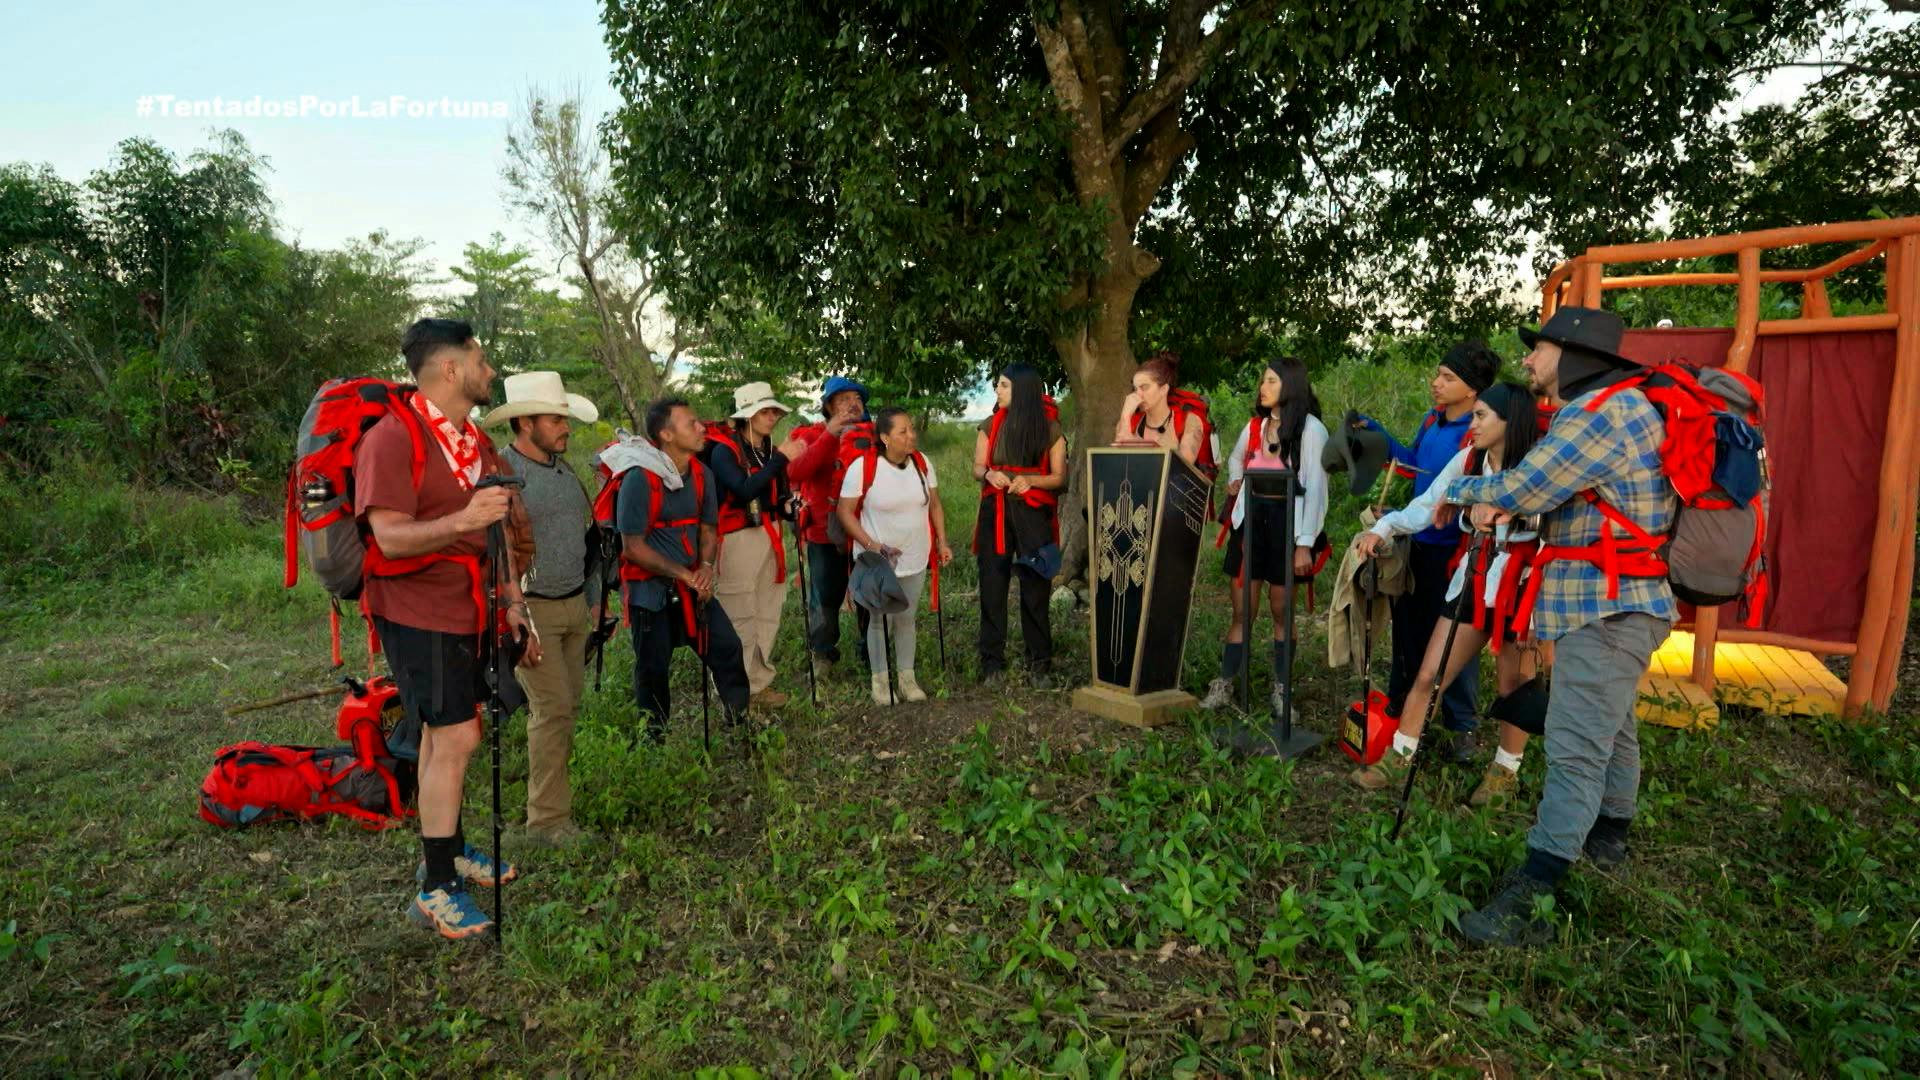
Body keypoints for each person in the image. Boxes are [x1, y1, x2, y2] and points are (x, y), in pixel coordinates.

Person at [1440, 307, 1675, 947]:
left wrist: (1458, 495)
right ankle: (1610, 836)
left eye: (1537, 348)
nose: (1527, 359)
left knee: (1574, 745)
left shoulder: (1596, 415)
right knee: (1612, 725)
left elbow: (1525, 487)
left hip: (1607, 606)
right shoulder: (1621, 408)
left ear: (1572, 355)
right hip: (1618, 602)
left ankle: (1536, 890)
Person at [357, 318, 535, 941]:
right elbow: (389, 537)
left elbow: (497, 529)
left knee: (444, 734)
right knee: (456, 736)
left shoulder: (472, 440)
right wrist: (463, 518)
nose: (490, 371)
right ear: (452, 368)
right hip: (416, 608)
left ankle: (450, 850)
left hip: (469, 607)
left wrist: (512, 599)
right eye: (481, 360)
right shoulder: (391, 437)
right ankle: (436, 887)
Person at [1346, 381, 1545, 806]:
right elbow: (1428, 502)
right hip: (1475, 575)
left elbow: (1550, 526)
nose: (1473, 424)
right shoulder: (1470, 458)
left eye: (1481, 416)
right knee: (1430, 674)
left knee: (1512, 684)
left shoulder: (1540, 463)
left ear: (1510, 421)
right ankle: (1400, 757)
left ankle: (1504, 772)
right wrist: (1383, 528)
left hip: (1522, 584)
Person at [1354, 342, 1500, 764]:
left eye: (1448, 377)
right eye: (1437, 374)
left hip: (1454, 552)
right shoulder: (1432, 420)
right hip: (1417, 541)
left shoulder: (1477, 436)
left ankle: (1461, 727)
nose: (1436, 383)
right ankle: (1404, 712)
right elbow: (1414, 465)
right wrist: (1380, 437)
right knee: (1409, 629)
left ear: (1473, 390)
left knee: (1455, 638)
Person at [486, 371, 599, 848]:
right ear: (525, 422)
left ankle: (551, 802)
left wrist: (592, 600)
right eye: (556, 419)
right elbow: (498, 555)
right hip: (534, 610)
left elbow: (583, 538)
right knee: (552, 711)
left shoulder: (562, 469)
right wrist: (518, 617)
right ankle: (547, 823)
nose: (565, 427)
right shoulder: (503, 474)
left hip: (574, 605)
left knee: (565, 707)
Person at [617, 397, 752, 742]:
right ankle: (654, 739)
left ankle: (739, 720)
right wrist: (686, 575)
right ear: (666, 434)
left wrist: (705, 567)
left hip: (693, 584)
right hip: (650, 592)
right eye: (691, 423)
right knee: (653, 668)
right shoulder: (639, 479)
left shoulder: (702, 474)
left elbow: (708, 528)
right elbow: (632, 547)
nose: (701, 428)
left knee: (727, 647)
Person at [1200, 357, 1330, 716]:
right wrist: (1235, 480)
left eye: (1271, 381)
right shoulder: (1256, 426)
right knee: (1242, 610)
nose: (1263, 387)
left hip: (1289, 527)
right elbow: (1235, 459)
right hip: (1251, 524)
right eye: (1263, 380)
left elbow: (1317, 491)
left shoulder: (1311, 431)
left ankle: (1282, 690)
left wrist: (1304, 544)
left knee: (1281, 610)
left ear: (1291, 385)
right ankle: (1225, 683)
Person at [704, 382, 830, 709]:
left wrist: (789, 506)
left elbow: (776, 496)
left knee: (768, 611)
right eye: (764, 411)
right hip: (737, 540)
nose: (772, 417)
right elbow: (743, 490)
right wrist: (782, 459)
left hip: (769, 534)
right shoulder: (724, 451)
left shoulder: (770, 450)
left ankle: (758, 685)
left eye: (774, 411)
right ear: (747, 415)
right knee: (740, 615)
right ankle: (733, 692)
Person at [836, 407, 954, 705]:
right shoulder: (863, 468)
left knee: (907, 617)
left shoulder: (922, 463)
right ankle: (880, 683)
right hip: (878, 561)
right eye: (903, 431)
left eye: (911, 429)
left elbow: (935, 505)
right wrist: (872, 545)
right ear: (885, 437)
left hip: (915, 556)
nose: (911, 435)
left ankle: (906, 679)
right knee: (879, 621)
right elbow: (844, 512)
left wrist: (942, 542)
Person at [973, 365, 1068, 687]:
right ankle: (992, 663)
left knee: (1036, 585)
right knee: (992, 584)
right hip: (995, 513)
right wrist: (989, 474)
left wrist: (1030, 481)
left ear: (1023, 390)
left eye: (1003, 385)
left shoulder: (1050, 429)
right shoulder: (990, 425)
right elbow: (977, 467)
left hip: (1033, 515)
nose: (997, 391)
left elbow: (1059, 477)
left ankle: (1040, 663)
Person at [786, 376, 871, 679]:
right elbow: (795, 471)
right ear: (829, 406)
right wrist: (830, 435)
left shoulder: (872, 435)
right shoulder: (808, 435)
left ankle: (871, 651)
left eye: (857, 399)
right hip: (824, 531)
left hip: (866, 531)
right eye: (844, 399)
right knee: (824, 597)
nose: (853, 404)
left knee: (869, 593)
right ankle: (822, 653)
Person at [1114, 351, 1204, 466]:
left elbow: (1181, 469)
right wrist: (1125, 415)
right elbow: (1118, 461)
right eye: (1135, 389)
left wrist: (1136, 443)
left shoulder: (1190, 422)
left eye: (1144, 387)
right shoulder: (1129, 422)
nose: (1137, 395)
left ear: (1163, 389)